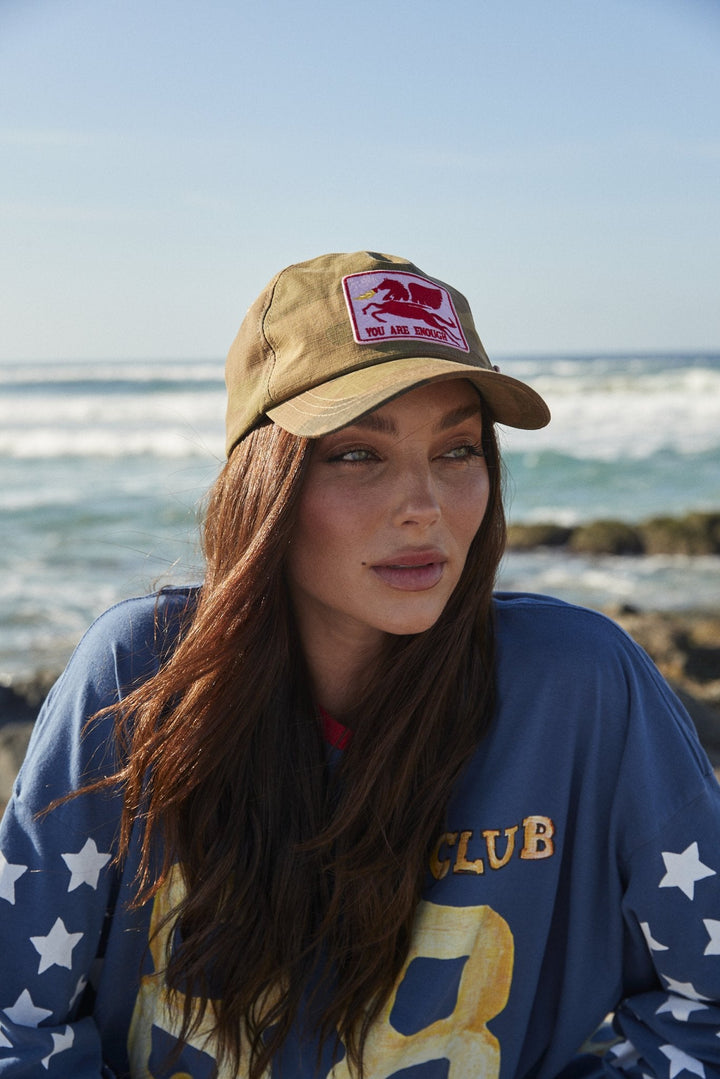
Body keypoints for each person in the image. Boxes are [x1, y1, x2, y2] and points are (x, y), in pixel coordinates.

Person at [1, 251, 719, 1079]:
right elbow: (19, 1023)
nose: (424, 506)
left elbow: (704, 1013)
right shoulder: (140, 678)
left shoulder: (578, 684)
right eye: (356, 454)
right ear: (263, 484)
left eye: (458, 449)